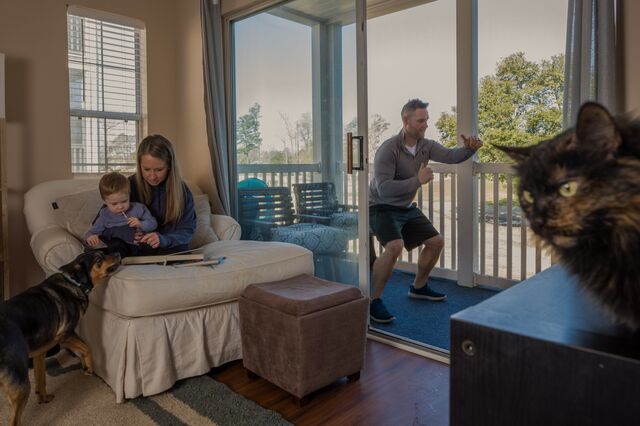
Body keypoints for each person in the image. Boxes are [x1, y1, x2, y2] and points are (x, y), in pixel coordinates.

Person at [368, 99, 483, 323]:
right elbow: (384, 189)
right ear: (406, 120)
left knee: (436, 241)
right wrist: (417, 181)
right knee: (394, 246)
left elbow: (451, 156)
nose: (425, 124)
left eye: (426, 120)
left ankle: (418, 287)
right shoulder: (388, 149)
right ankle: (374, 300)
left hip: (405, 207)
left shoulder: (426, 145)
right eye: (421, 120)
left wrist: (468, 150)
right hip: (380, 206)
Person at [128, 134, 197, 255]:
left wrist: (163, 239)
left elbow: (187, 230)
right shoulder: (128, 186)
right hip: (140, 250)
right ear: (139, 165)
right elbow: (108, 219)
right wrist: (128, 234)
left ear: (169, 166)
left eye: (159, 170)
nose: (153, 176)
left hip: (173, 250)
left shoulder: (182, 190)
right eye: (146, 169)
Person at [85, 171, 158, 257]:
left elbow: (153, 224)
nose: (120, 207)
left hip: (140, 245)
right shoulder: (105, 214)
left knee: (152, 244)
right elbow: (92, 232)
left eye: (124, 201)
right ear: (105, 201)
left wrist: (141, 223)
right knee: (115, 244)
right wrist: (90, 237)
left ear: (129, 195)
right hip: (121, 248)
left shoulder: (138, 208)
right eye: (114, 204)